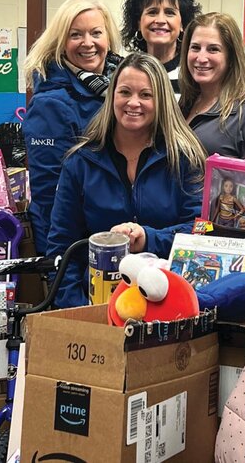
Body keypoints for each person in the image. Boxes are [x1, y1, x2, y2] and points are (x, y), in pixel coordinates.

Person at [46, 53, 206, 308]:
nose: (133, 102)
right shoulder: (80, 163)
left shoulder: (184, 158)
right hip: (95, 303)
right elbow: (62, 246)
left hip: (169, 304)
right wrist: (77, 309)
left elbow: (200, 231)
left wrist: (148, 238)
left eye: (145, 95)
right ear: (112, 97)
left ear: (161, 101)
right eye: (124, 92)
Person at [21, 0, 123, 254]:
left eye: (96, 33)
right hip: (76, 244)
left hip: (112, 233)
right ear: (62, 42)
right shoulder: (51, 104)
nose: (88, 43)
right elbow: (50, 194)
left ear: (108, 37)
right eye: (76, 34)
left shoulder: (117, 88)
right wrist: (63, 261)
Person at [179, 12, 245, 164]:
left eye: (213, 49)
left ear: (231, 57)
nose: (201, 58)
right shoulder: (186, 103)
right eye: (195, 48)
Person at [121, 0, 201, 95]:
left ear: (182, 24)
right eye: (152, 12)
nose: (160, 20)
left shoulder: (193, 75)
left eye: (170, 12)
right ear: (138, 22)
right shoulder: (126, 72)